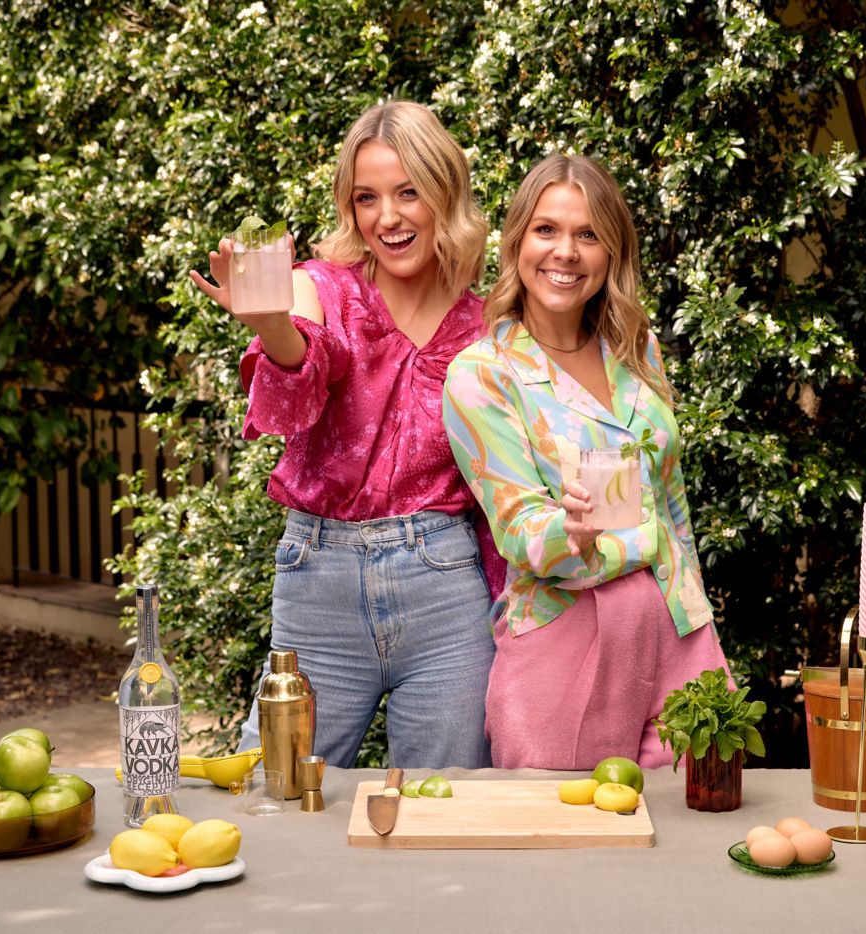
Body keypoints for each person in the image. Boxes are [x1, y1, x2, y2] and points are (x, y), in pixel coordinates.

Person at [190, 101, 499, 769]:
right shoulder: (318, 288)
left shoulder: (488, 327)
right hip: (319, 584)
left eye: (408, 192)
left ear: (445, 192)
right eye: (367, 197)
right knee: (274, 792)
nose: (386, 217)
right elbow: (299, 380)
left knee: (443, 816)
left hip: (446, 592)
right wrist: (270, 325)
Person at [441, 154, 729, 769]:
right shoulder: (483, 376)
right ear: (518, 240)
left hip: (677, 630)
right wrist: (568, 533)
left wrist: (698, 621)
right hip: (566, 638)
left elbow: (671, 500)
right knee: (563, 849)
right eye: (546, 230)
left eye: (588, 234)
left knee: (693, 836)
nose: (565, 251)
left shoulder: (636, 348)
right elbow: (519, 530)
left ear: (611, 253)